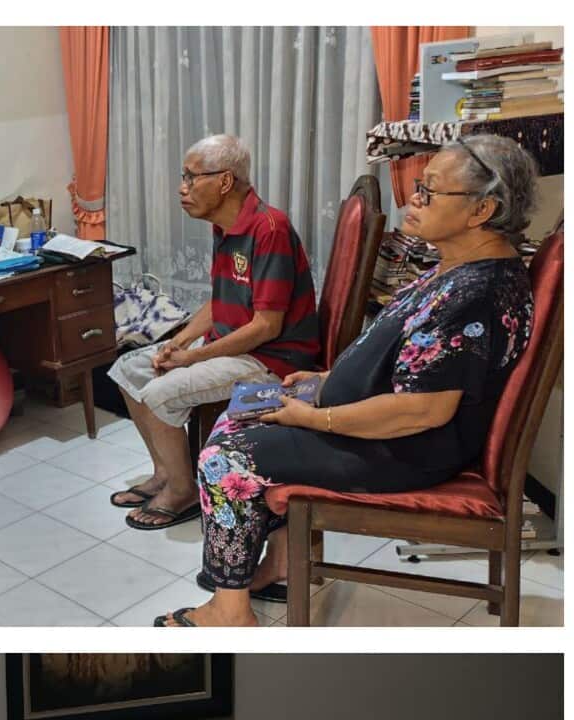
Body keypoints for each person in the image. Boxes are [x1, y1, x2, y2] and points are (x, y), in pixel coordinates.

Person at [157, 134, 538, 627]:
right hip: (377, 424)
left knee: (223, 457)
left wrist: (317, 416)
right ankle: (275, 565)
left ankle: (229, 610)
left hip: (404, 448)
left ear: (482, 210)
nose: (412, 201)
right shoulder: (461, 269)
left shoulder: (475, 293)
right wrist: (323, 380)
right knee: (242, 412)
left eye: (428, 192)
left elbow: (423, 410)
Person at [107, 134, 320, 531]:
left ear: (224, 182)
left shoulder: (269, 229)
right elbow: (222, 300)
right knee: (127, 369)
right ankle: (165, 474)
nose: (181, 188)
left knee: (157, 392)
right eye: (182, 177)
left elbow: (266, 326)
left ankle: (183, 490)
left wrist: (192, 358)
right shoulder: (226, 226)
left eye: (191, 177)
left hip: (273, 363)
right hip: (234, 348)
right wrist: (179, 340)